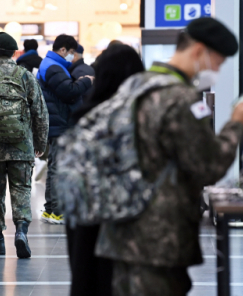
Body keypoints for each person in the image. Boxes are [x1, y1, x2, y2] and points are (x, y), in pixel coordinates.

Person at [95, 18, 243, 295]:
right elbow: (208, 166)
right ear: (198, 51)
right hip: (158, 239)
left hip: (121, 231)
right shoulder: (181, 99)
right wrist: (236, 124)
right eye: (217, 62)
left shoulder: (138, 84)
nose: (216, 70)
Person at [66, 44, 145, 296]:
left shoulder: (83, 116)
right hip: (121, 223)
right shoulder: (132, 117)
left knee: (86, 277)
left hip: (82, 219)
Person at [0, 32, 49, 258]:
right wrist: (40, 142)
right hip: (22, 146)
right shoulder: (26, 77)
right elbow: (40, 112)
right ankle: (21, 232)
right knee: (21, 189)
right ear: (15, 53)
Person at [37, 34, 94, 224]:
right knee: (57, 167)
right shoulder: (53, 67)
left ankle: (50, 210)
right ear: (62, 50)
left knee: (55, 165)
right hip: (59, 122)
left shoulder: (52, 65)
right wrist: (86, 81)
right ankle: (57, 211)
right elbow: (69, 92)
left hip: (57, 121)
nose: (72, 57)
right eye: (71, 53)